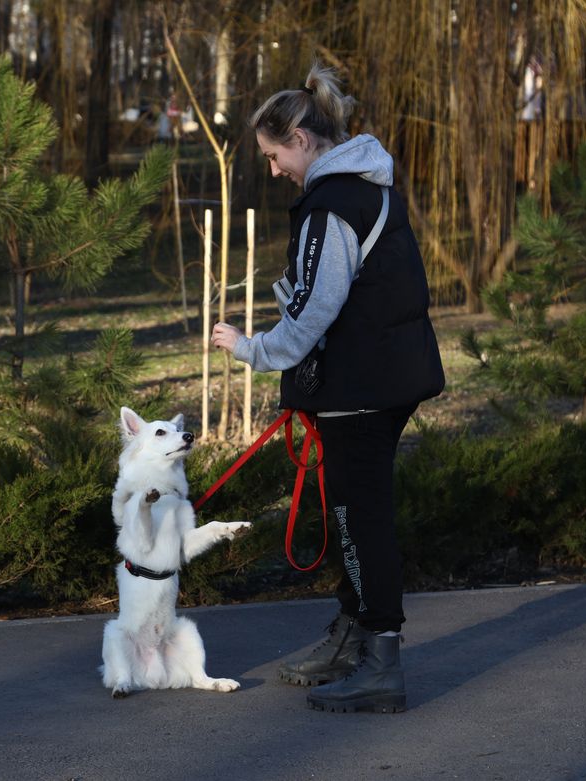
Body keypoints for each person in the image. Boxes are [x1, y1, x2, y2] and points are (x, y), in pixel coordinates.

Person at [211, 62, 445, 713]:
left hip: (359, 386)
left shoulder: (332, 202)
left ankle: (379, 661)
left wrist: (252, 349)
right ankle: (354, 637)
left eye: (274, 154)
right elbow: (344, 291)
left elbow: (314, 314)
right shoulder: (370, 188)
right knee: (352, 512)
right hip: (389, 376)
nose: (275, 168)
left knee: (358, 517)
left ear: (303, 140)